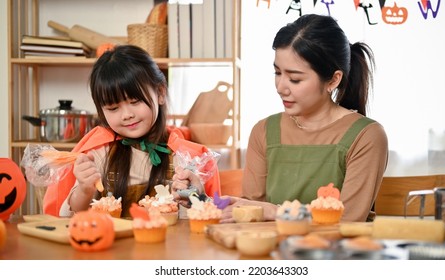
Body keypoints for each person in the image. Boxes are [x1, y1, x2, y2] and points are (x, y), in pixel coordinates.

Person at [219, 14, 389, 223]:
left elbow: (347, 219)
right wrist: (198, 195)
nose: (281, 87)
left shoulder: (366, 136)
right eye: (277, 72)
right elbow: (253, 211)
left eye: (295, 79)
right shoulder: (264, 130)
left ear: (333, 80)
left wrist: (276, 212)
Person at [43, 45, 221, 217]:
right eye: (113, 108)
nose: (127, 115)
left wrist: (194, 196)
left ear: (160, 93)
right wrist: (84, 188)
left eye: (135, 102)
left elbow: (202, 220)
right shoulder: (99, 153)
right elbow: (71, 214)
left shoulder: (184, 158)